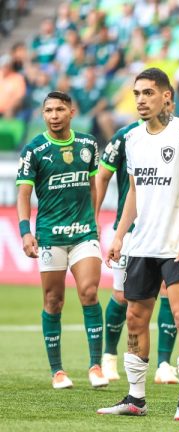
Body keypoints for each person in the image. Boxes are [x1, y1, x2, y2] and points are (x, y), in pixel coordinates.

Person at [97, 67, 179, 420]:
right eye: (137, 94)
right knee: (134, 317)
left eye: (148, 93)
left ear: (167, 97)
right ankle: (135, 398)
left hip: (177, 246)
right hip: (140, 245)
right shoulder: (132, 139)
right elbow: (134, 190)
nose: (141, 100)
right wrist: (119, 236)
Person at [16, 91, 107, 390]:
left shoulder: (87, 144)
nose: (54, 115)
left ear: (72, 111)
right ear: (43, 115)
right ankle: (57, 371)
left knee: (90, 292)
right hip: (50, 236)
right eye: (48, 111)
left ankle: (95, 366)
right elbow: (24, 194)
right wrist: (25, 231)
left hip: (83, 232)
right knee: (53, 302)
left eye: (59, 110)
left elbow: (93, 185)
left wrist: (92, 219)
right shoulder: (35, 149)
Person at [94, 96, 179, 385]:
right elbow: (103, 175)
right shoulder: (127, 137)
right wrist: (96, 217)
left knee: (170, 291)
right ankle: (108, 357)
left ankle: (165, 363)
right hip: (132, 230)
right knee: (122, 296)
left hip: (169, 230)